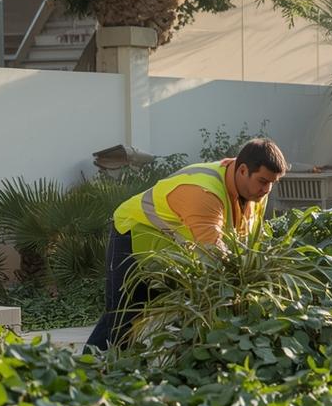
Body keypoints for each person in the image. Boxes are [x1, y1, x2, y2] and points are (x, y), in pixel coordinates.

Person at [83, 138, 286, 352]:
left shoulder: (254, 191)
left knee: (139, 314)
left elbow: (245, 244)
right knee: (123, 316)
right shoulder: (203, 193)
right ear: (243, 170)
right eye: (263, 181)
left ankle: (95, 369)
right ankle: (94, 373)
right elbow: (215, 255)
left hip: (170, 249)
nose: (267, 189)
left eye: (272, 183)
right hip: (133, 235)